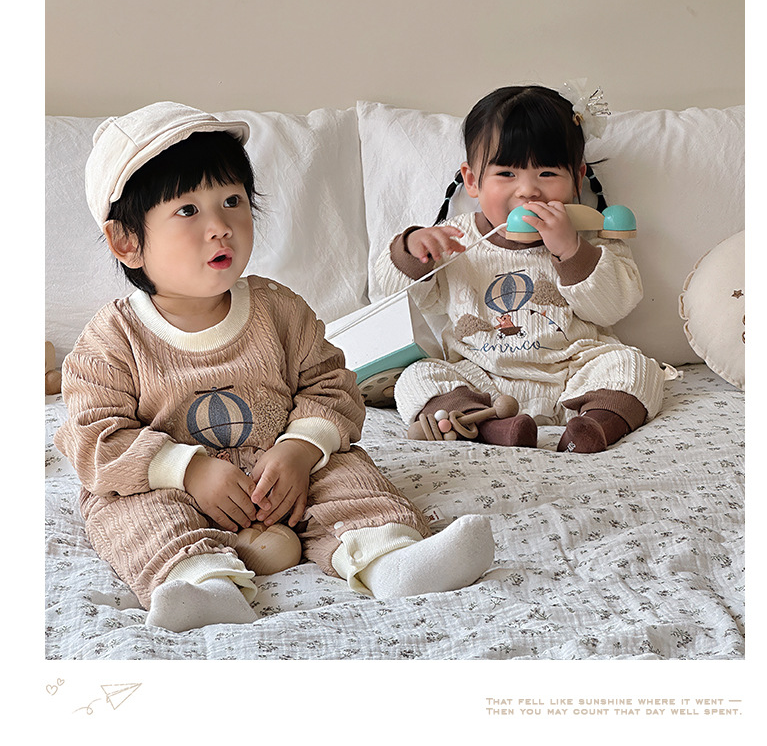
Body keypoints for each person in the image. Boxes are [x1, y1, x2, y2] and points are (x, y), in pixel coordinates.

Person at [54, 101, 494, 633]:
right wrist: (188, 470)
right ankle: (202, 584)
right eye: (188, 211)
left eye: (232, 201)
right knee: (128, 510)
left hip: (284, 473)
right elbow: (93, 439)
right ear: (127, 242)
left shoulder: (278, 310)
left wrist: (300, 449)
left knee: (347, 473)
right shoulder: (113, 339)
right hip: (171, 484)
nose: (220, 227)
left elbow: (332, 386)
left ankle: (391, 558)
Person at [375, 85, 667, 452]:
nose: (528, 190)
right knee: (417, 377)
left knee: (636, 367)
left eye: (547, 173)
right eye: (506, 173)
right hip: (482, 379)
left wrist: (570, 250)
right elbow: (394, 296)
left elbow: (613, 306)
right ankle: (494, 429)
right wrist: (413, 249)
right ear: (472, 181)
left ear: (577, 179)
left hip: (573, 373)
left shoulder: (590, 234)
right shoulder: (456, 239)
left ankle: (593, 427)